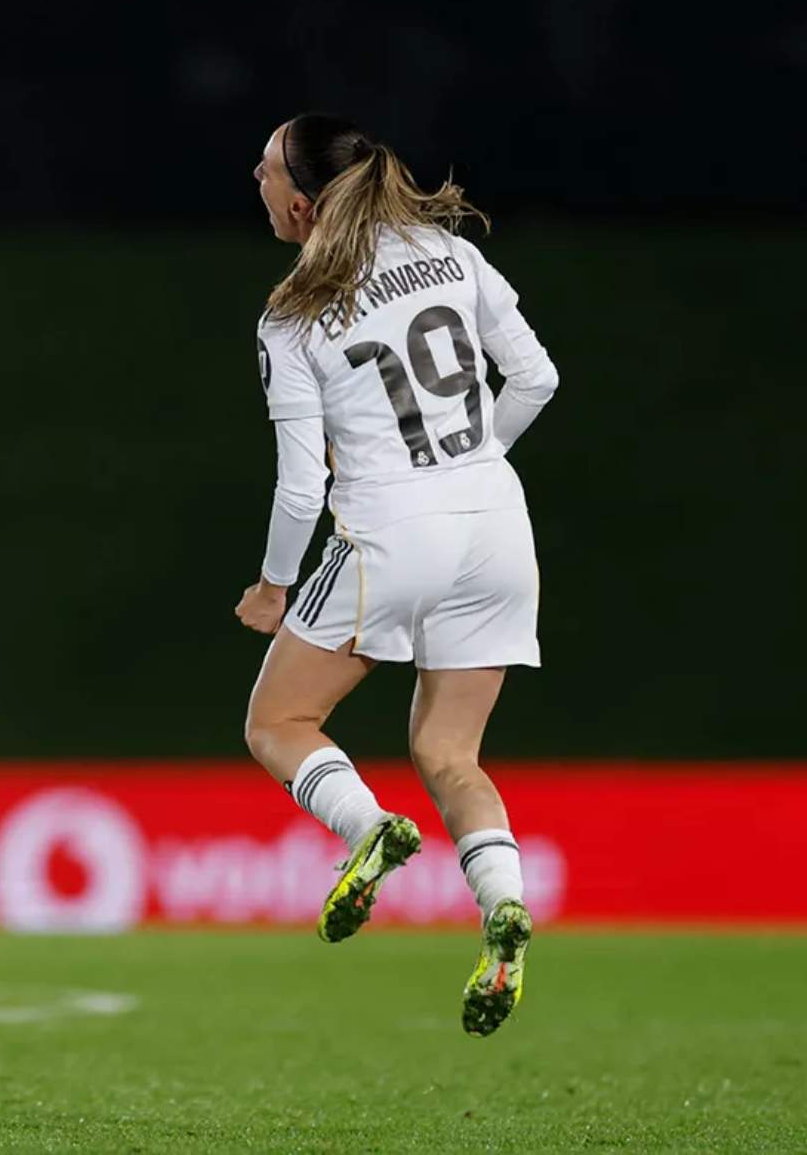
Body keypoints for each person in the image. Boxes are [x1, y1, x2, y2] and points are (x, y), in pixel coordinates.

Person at [235, 114, 559, 1037]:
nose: (252, 180)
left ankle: (367, 829)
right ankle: (503, 908)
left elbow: (303, 486)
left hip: (390, 530)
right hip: (498, 523)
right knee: (452, 755)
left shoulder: (294, 312)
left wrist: (271, 584)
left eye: (262, 169)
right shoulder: (445, 251)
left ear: (300, 202)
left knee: (279, 721)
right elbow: (535, 377)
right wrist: (467, 472)